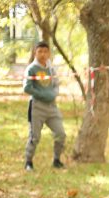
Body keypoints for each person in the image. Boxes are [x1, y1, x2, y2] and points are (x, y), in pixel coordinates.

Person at [23, 41, 66, 171]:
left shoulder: (51, 68)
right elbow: (27, 87)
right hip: (37, 107)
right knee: (35, 136)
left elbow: (56, 84)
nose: (43, 54)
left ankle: (57, 160)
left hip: (52, 107)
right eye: (40, 51)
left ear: (49, 53)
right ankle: (28, 162)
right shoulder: (31, 69)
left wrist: (54, 93)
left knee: (61, 134)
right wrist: (42, 94)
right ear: (35, 53)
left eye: (45, 51)